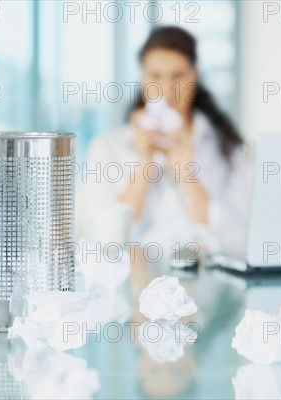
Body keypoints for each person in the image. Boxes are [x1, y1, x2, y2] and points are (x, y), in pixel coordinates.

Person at [85, 26, 251, 256]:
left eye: (178, 76)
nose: (166, 89)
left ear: (195, 76)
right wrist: (145, 164)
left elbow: (237, 237)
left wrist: (185, 172)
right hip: (137, 283)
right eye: (155, 76)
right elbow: (105, 242)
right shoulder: (108, 146)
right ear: (142, 77)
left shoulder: (228, 147)